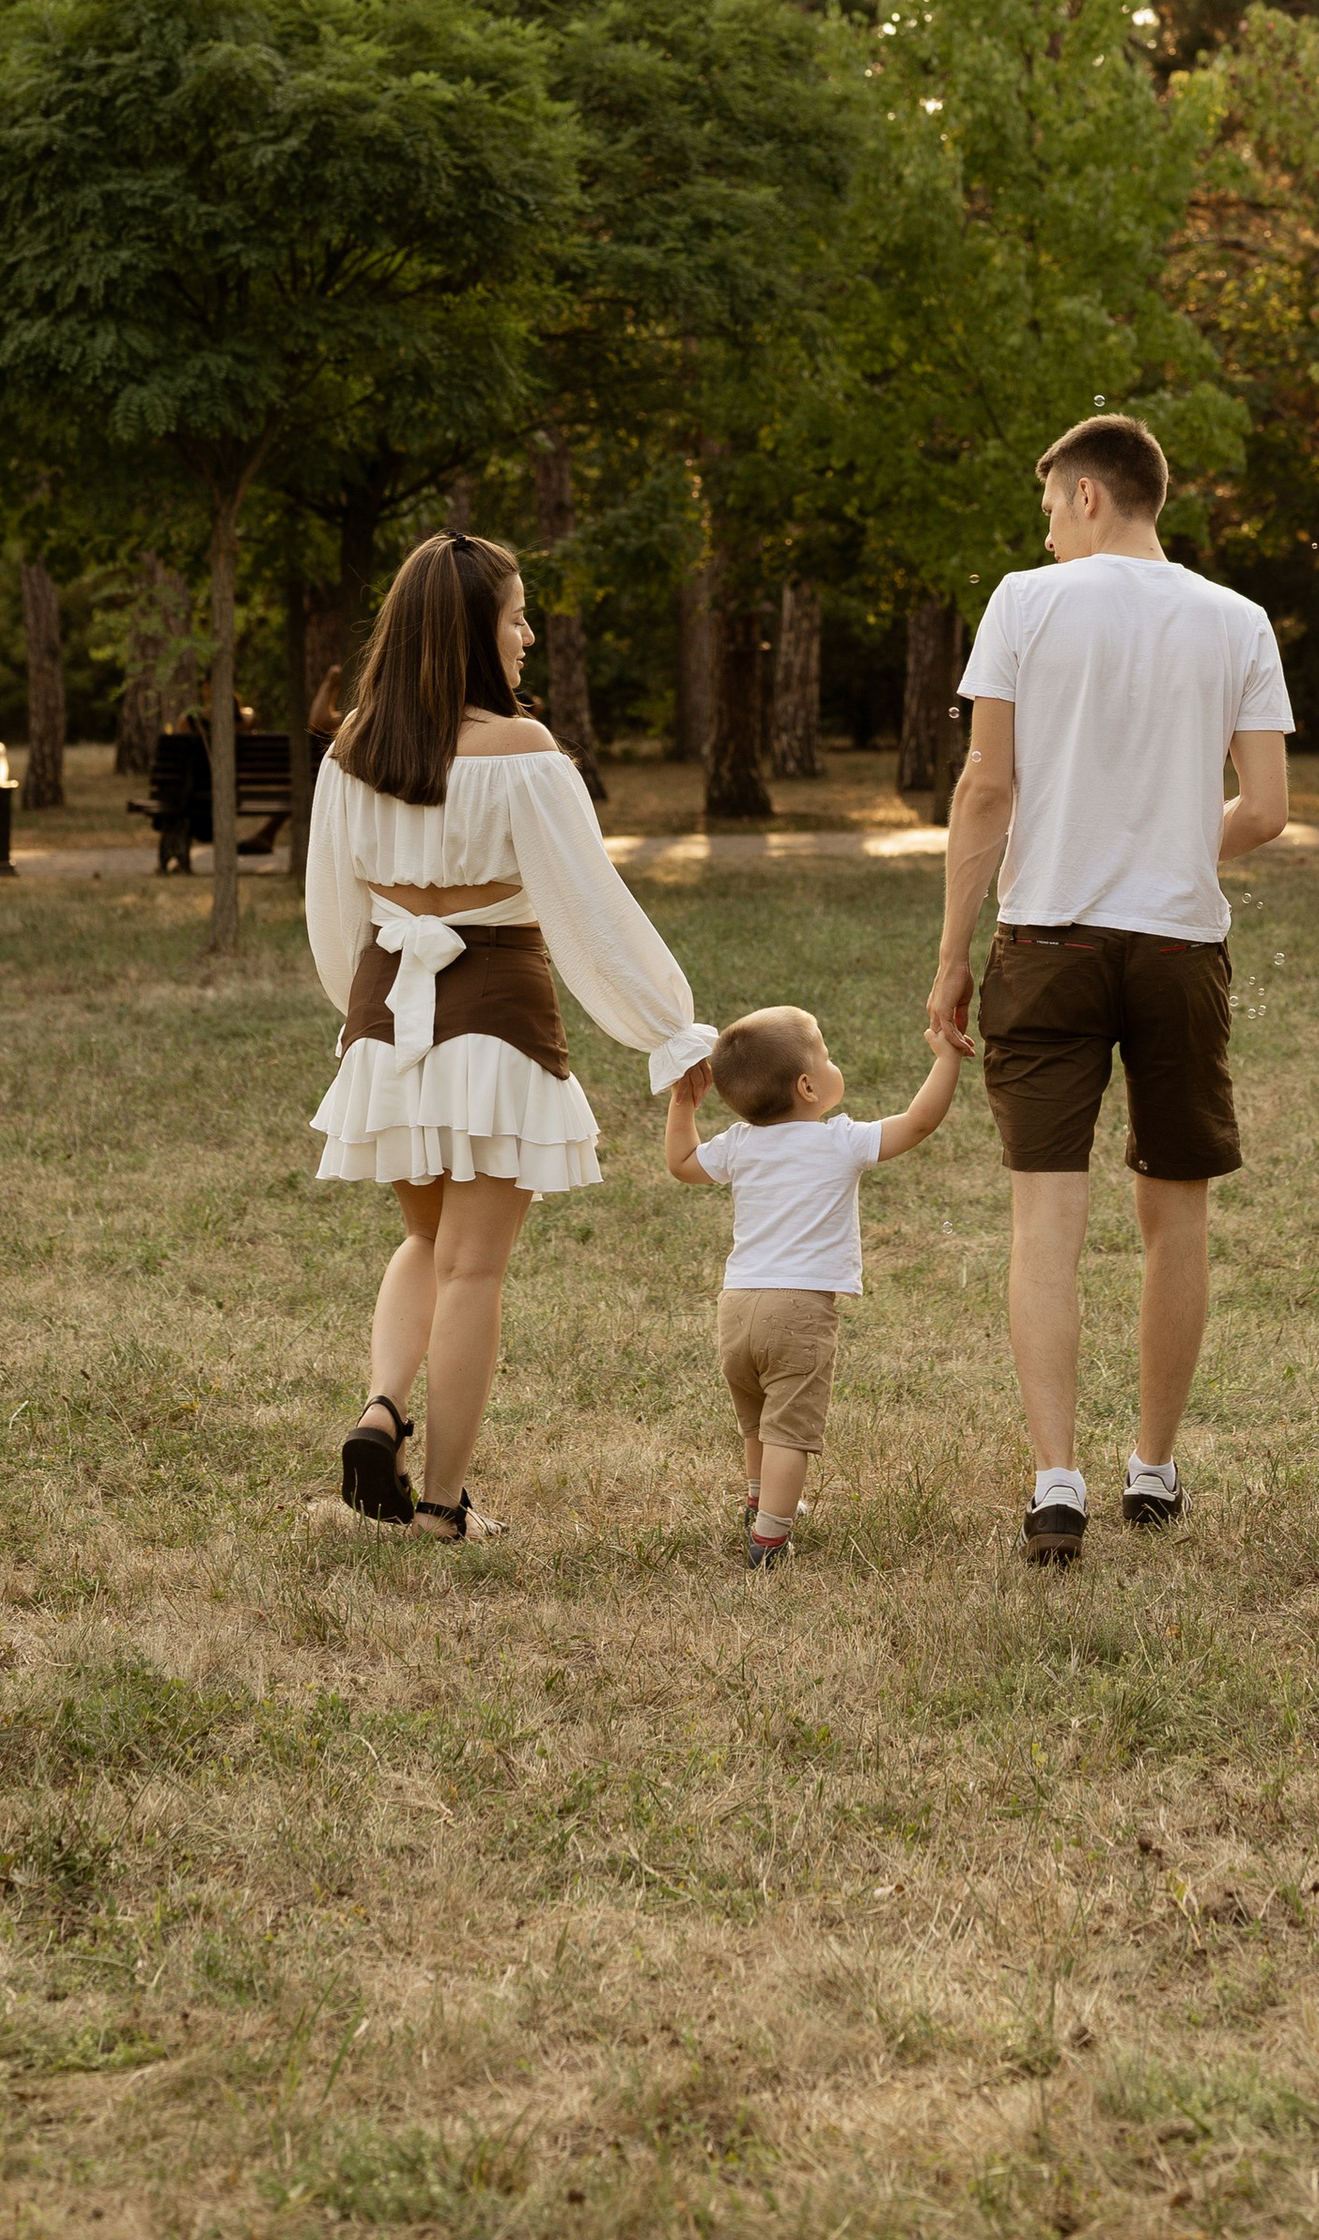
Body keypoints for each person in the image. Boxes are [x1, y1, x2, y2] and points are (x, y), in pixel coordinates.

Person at [928, 414, 1292, 1567]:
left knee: (1047, 1215)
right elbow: (1269, 807)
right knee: (1172, 1212)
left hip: (1046, 943)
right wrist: (1175, 847)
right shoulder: (1237, 619)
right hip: (1181, 946)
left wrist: (951, 952)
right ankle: (1153, 1468)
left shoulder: (1026, 602)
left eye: (1047, 510)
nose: (1044, 531)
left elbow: (986, 786)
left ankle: (1054, 1484)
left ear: (1087, 496)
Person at [306, 529, 714, 1542]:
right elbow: (594, 911)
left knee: (424, 1238)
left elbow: (330, 914)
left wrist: (356, 1026)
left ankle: (381, 1405)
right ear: (470, 632)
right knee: (473, 1267)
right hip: (495, 1017)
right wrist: (670, 1028)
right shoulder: (524, 755)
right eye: (516, 614)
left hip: (385, 1015)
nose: (527, 633)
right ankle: (441, 1505)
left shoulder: (352, 749)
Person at [665, 1004, 962, 1567]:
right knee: (789, 1432)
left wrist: (683, 1103)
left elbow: (681, 1162)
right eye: (825, 1054)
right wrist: (946, 1060)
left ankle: (758, 1503)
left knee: (756, 1418)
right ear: (807, 1086)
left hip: (736, 1307)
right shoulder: (839, 1141)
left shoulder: (737, 1144)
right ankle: (771, 1538)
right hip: (798, 1310)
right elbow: (919, 1121)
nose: (831, 1061)